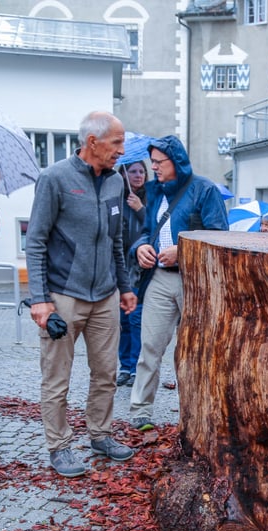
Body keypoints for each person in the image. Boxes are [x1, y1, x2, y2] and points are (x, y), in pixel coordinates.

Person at [26, 110, 137, 478]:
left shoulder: (116, 181)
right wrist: (40, 299)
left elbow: (117, 240)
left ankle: (100, 435)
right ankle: (59, 446)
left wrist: (124, 286)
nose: (122, 150)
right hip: (64, 296)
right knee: (57, 377)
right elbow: (36, 242)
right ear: (93, 142)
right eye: (117, 142)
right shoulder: (54, 178)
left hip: (105, 295)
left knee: (106, 372)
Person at [129, 135, 228, 430]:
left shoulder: (204, 190)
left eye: (159, 162)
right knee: (150, 346)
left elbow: (219, 238)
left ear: (177, 161)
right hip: (159, 279)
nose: (154, 168)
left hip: (194, 283)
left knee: (195, 350)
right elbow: (145, 230)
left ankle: (196, 413)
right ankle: (140, 410)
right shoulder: (155, 193)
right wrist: (141, 247)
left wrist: (183, 250)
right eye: (153, 162)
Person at [117, 160, 148, 387]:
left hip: (141, 270)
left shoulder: (149, 199)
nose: (138, 175)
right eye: (133, 171)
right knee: (123, 322)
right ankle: (125, 366)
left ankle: (137, 366)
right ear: (124, 174)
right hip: (121, 270)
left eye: (141, 171)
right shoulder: (117, 199)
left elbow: (154, 228)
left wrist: (140, 209)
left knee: (136, 320)